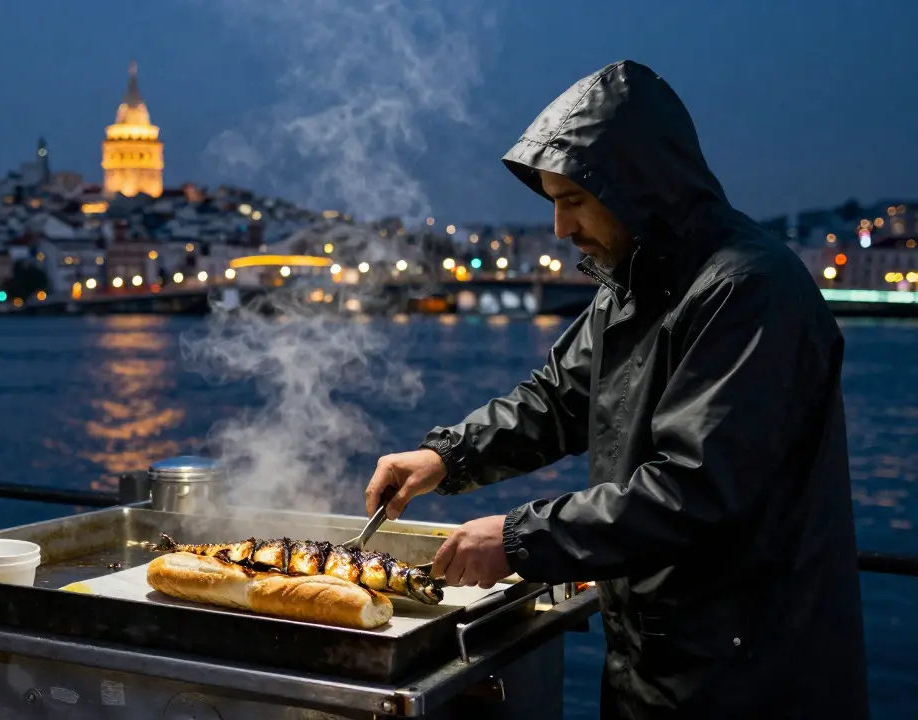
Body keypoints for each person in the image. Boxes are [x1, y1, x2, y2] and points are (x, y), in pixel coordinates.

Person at [366, 60, 868, 718]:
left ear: (637, 187)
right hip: (654, 658)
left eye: (572, 199)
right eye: (552, 203)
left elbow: (697, 488)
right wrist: (447, 456)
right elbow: (556, 400)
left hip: (752, 671)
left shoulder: (749, 289)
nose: (559, 229)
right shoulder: (633, 279)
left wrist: (519, 541)